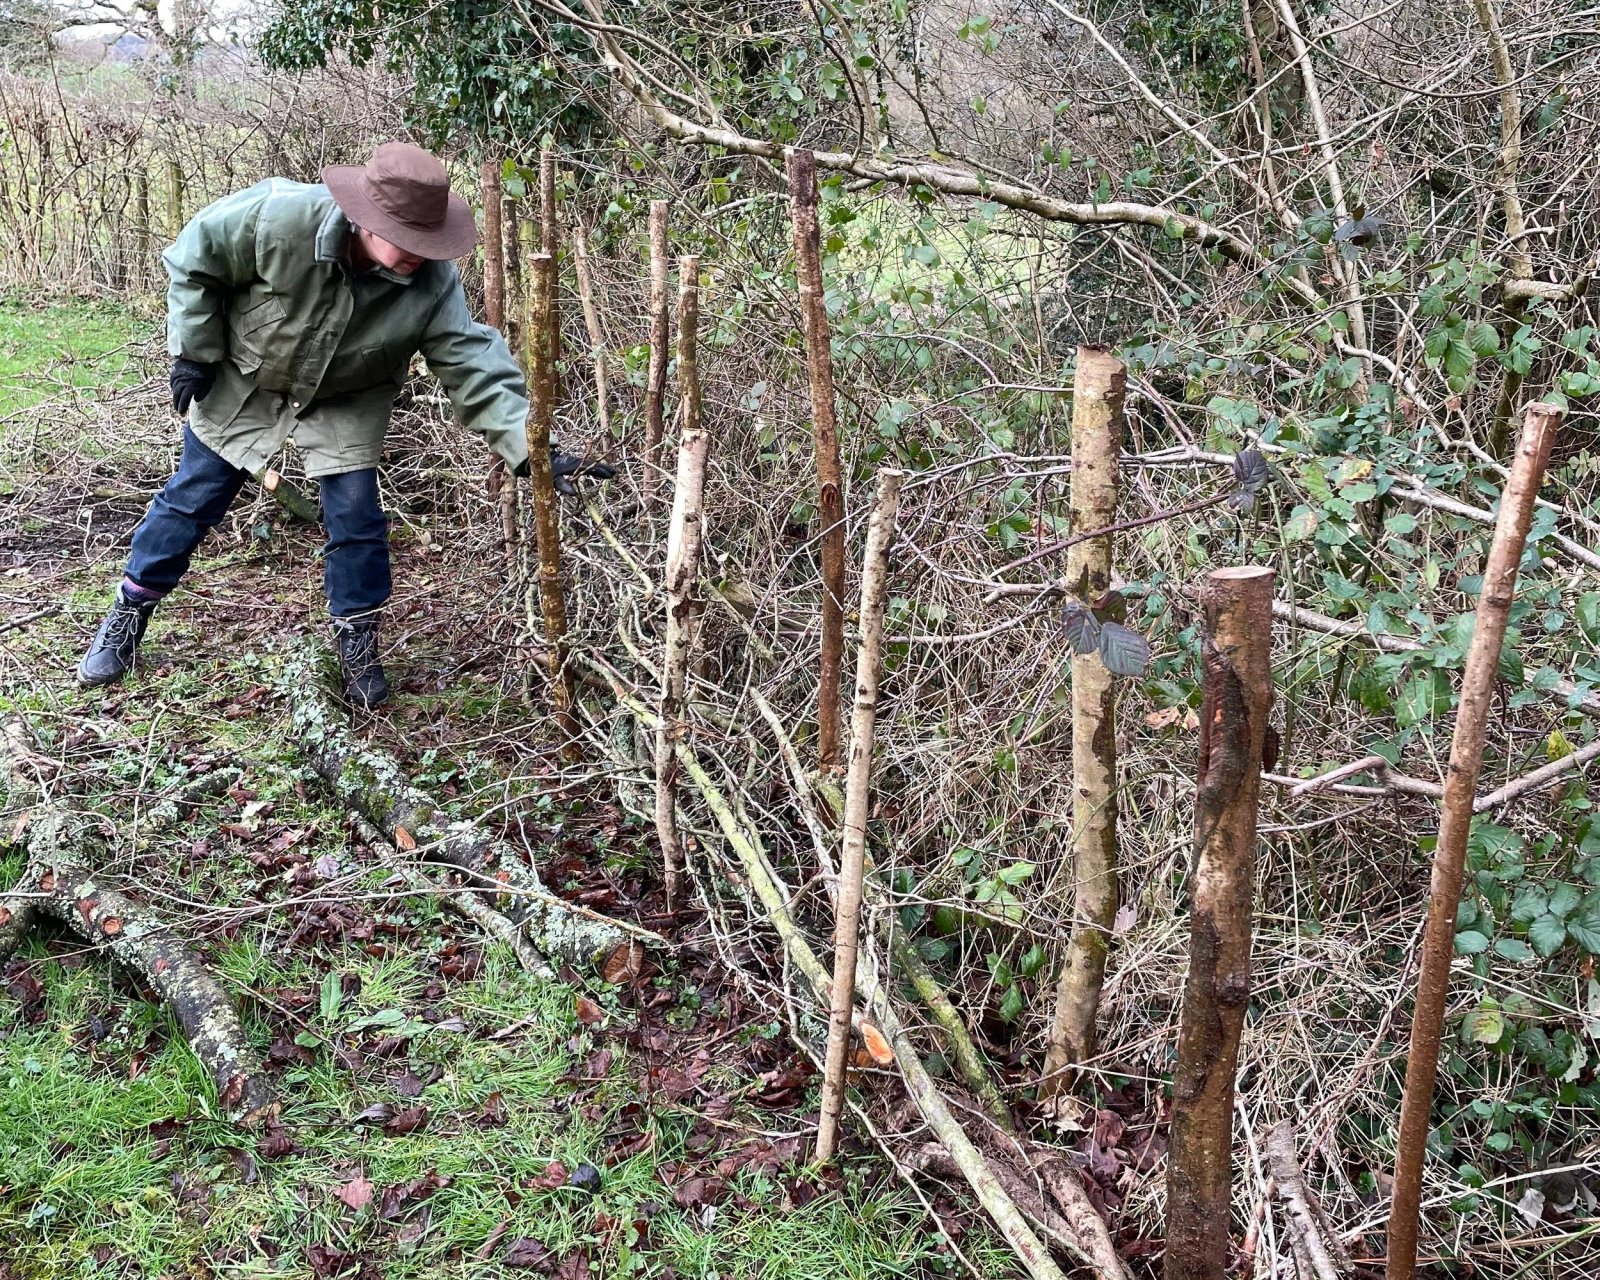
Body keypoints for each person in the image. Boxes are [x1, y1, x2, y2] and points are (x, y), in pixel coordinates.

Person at [76, 141, 612, 708]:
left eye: (427, 241)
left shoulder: (432, 282)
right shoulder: (277, 217)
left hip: (350, 391)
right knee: (194, 496)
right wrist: (195, 351)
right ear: (364, 218)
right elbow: (193, 259)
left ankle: (359, 643)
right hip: (247, 375)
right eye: (405, 238)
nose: (418, 253)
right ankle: (128, 615)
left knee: (356, 517)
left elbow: (469, 357)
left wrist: (528, 446)